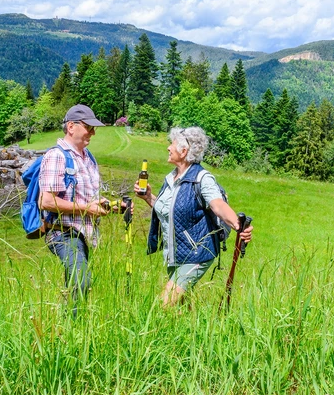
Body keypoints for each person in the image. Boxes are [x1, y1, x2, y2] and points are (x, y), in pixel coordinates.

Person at [135, 126, 253, 307]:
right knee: (180, 308)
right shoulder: (171, 178)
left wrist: (238, 224)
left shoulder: (202, 178)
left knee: (163, 305)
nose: (168, 147)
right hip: (174, 254)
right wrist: (148, 197)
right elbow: (169, 210)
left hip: (197, 253)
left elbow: (218, 205)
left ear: (184, 151)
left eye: (172, 144)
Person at [38, 104, 116, 315]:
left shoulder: (88, 157)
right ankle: (71, 328)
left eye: (94, 128)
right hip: (63, 232)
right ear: (71, 127)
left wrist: (110, 205)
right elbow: (46, 201)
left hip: (85, 234)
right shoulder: (57, 156)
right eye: (88, 127)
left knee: (78, 285)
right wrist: (86, 209)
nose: (92, 132)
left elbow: (88, 197)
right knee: (81, 281)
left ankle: (70, 328)